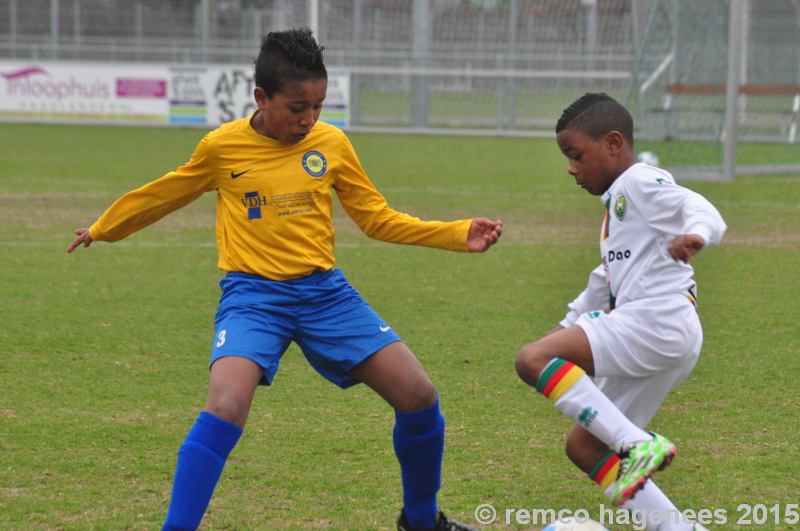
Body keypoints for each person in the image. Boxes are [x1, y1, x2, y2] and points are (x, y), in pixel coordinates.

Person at [68, 28, 501, 531]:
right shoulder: (222, 148)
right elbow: (163, 193)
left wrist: (454, 233)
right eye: (297, 107)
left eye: (318, 105)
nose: (309, 119)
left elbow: (375, 218)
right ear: (262, 97)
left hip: (326, 295)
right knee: (226, 405)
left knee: (419, 396)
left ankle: (422, 522)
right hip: (252, 297)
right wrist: (103, 228)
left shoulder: (331, 143)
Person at [514, 93, 725, 530]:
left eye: (576, 155)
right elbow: (605, 278)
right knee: (585, 447)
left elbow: (699, 207)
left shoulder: (638, 182)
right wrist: (569, 324)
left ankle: (634, 442)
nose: (571, 168)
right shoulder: (618, 206)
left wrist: (697, 233)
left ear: (613, 143)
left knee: (532, 359)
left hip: (655, 321)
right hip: (669, 333)